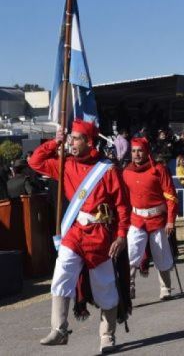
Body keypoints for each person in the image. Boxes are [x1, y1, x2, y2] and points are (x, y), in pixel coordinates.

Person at [29, 120, 130, 353]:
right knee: (62, 273)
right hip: (74, 232)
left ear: (89, 141)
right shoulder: (64, 165)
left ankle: (107, 335)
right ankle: (59, 329)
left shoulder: (107, 169)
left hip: (100, 235)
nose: (71, 142)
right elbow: (35, 162)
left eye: (75, 138)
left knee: (104, 287)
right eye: (70, 138)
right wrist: (55, 142)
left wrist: (121, 235)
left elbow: (122, 206)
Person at [123, 137, 178, 301]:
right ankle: (129, 286)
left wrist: (170, 220)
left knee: (161, 253)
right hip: (136, 219)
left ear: (147, 152)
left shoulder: (159, 170)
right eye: (133, 151)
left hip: (157, 220)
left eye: (139, 150)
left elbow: (171, 196)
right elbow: (123, 199)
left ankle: (165, 288)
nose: (136, 154)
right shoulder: (126, 172)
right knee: (131, 252)